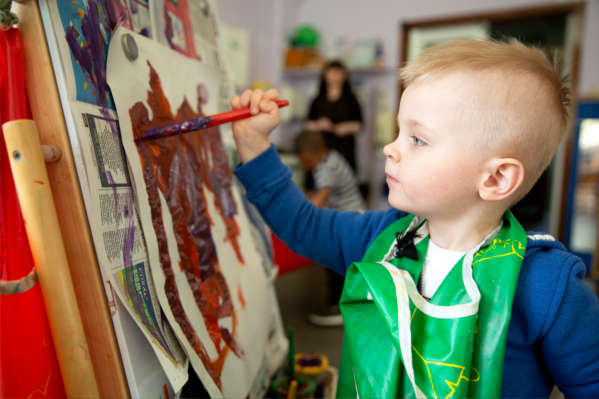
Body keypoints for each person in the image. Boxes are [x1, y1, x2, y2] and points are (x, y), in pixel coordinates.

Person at [230, 39, 599, 397]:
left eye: (418, 140)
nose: (391, 149)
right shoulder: (383, 239)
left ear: (496, 178)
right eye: (399, 132)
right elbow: (303, 225)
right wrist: (253, 145)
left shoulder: (547, 287)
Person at [294, 129, 366, 326]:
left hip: (350, 221)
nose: (308, 167)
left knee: (337, 262)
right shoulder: (327, 160)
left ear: (320, 151)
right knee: (335, 262)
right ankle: (338, 303)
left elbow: (318, 200)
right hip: (345, 218)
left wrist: (295, 215)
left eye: (309, 162)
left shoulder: (329, 168)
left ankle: (339, 307)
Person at [304, 60, 362, 172]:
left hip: (345, 150)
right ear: (325, 75)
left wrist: (345, 128)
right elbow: (308, 125)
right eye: (332, 72)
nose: (335, 76)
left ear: (344, 76)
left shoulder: (351, 100)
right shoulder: (317, 100)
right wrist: (319, 124)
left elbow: (359, 124)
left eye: (338, 73)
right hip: (321, 150)